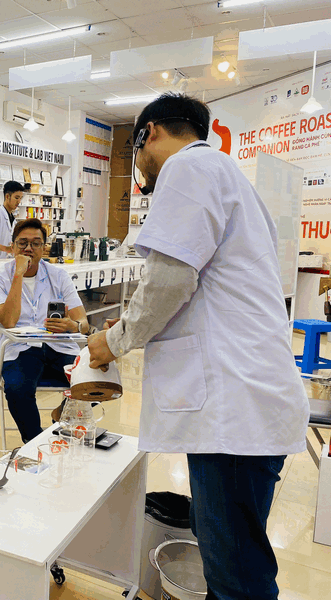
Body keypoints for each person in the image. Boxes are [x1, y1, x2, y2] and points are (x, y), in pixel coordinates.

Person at [87, 93, 309, 600]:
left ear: (148, 133)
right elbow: (197, 288)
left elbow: (169, 280)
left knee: (236, 578)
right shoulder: (225, 174)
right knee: (234, 561)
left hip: (234, 413)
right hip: (244, 407)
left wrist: (113, 342)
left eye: (136, 149)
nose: (139, 163)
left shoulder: (187, 167)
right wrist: (136, 324)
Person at [0, 218, 88, 442]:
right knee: (17, 389)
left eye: (35, 243)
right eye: (22, 243)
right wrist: (18, 274)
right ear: (12, 246)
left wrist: (73, 325)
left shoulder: (58, 276)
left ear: (44, 248)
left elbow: (84, 322)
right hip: (20, 348)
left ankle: (62, 415)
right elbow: (9, 321)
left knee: (96, 380)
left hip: (59, 345)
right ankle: (34, 442)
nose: (29, 249)